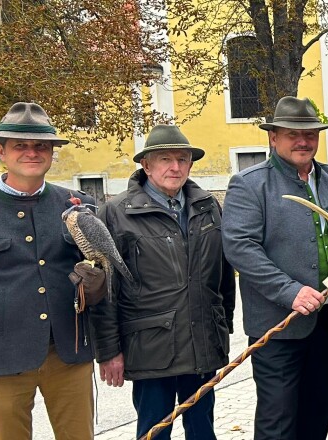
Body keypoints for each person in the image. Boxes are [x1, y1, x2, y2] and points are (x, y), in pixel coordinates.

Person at [0, 102, 105, 439]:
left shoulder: (77, 204)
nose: (32, 152)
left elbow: (101, 277)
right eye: (20, 145)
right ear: (1, 151)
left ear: (52, 153)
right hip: (0, 354)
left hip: (68, 350)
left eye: (41, 146)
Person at [89, 124, 235, 440]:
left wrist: (224, 327)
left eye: (182, 159)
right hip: (151, 347)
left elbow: (222, 275)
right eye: (165, 159)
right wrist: (108, 350)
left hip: (202, 342)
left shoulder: (207, 205)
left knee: (203, 430)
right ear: (146, 165)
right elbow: (105, 290)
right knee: (154, 432)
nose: (175, 167)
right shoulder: (116, 212)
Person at [222, 97, 328, 440]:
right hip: (278, 325)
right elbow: (240, 248)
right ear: (273, 138)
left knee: (317, 412)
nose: (303, 141)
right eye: (293, 133)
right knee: (277, 421)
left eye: (310, 134)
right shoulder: (249, 184)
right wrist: (289, 291)